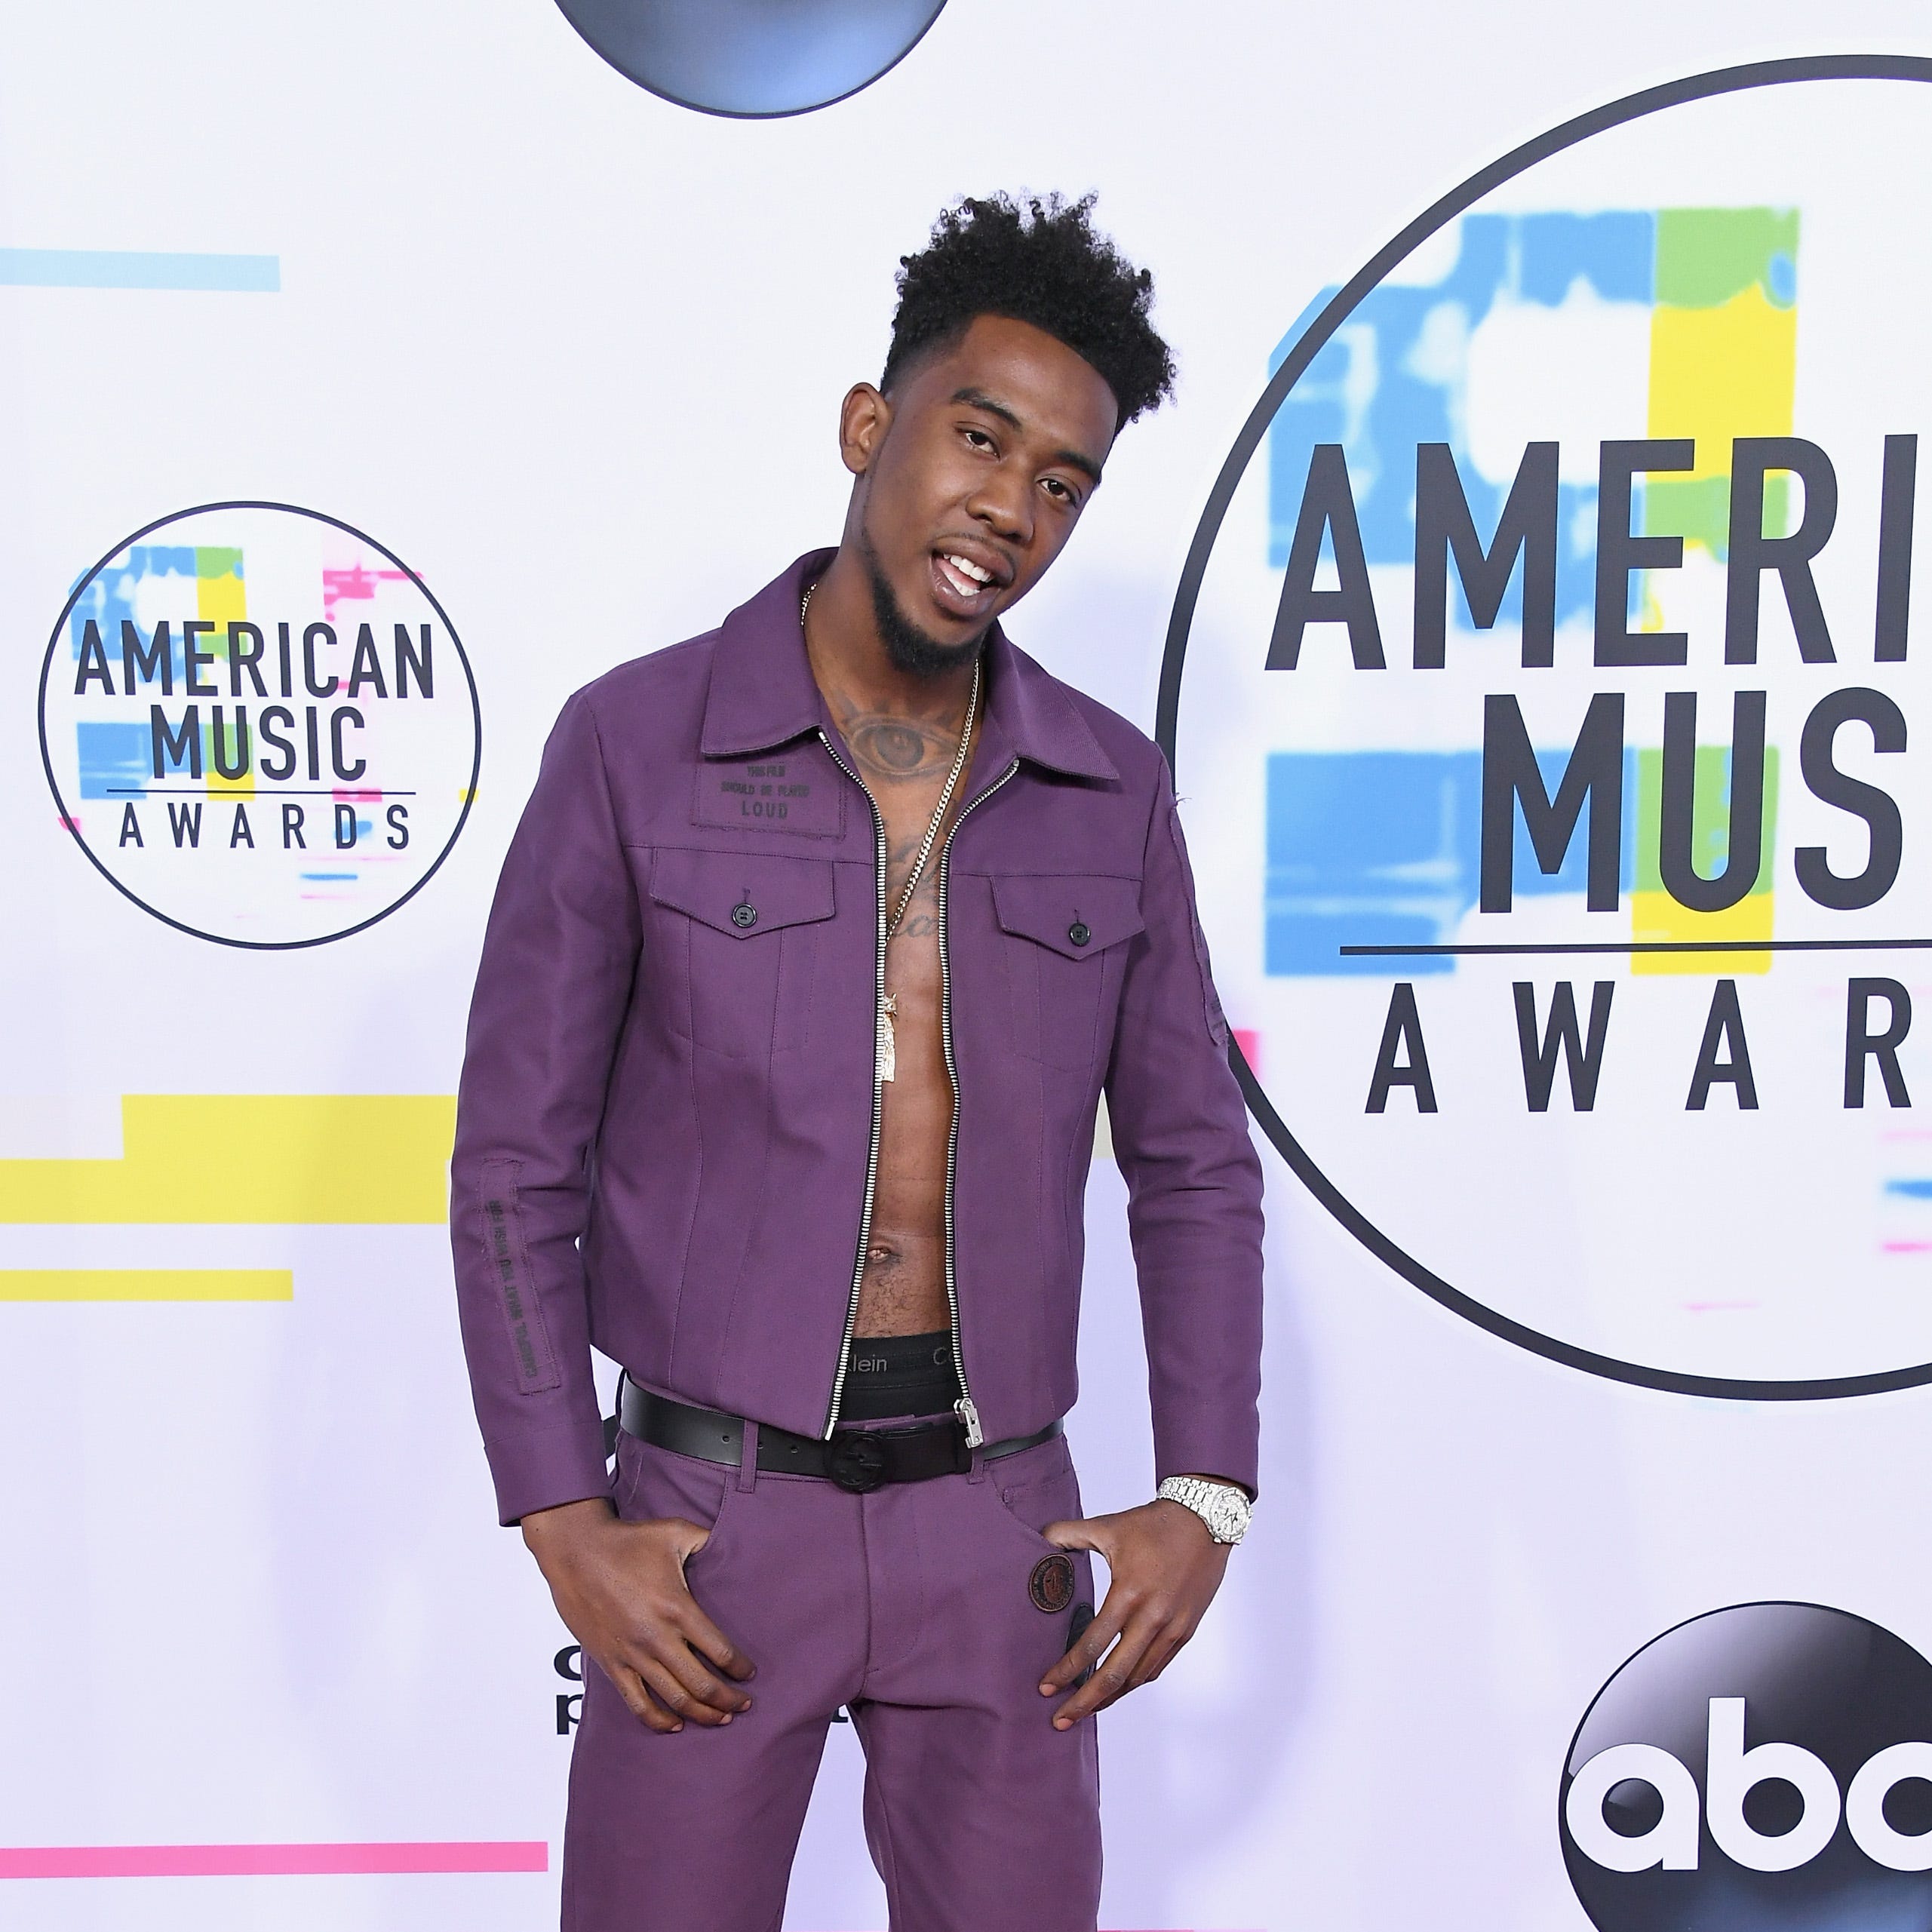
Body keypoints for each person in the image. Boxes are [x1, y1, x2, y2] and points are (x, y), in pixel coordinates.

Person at [450, 192, 1264, 1932]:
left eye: (1063, 482)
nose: (1012, 510)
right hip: (711, 1521)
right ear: (868, 426)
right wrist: (558, 1514)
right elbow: (515, 1162)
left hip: (1001, 1530)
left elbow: (1194, 1162)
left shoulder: (1110, 790)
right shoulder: (634, 744)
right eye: (982, 439)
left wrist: (1205, 1493)